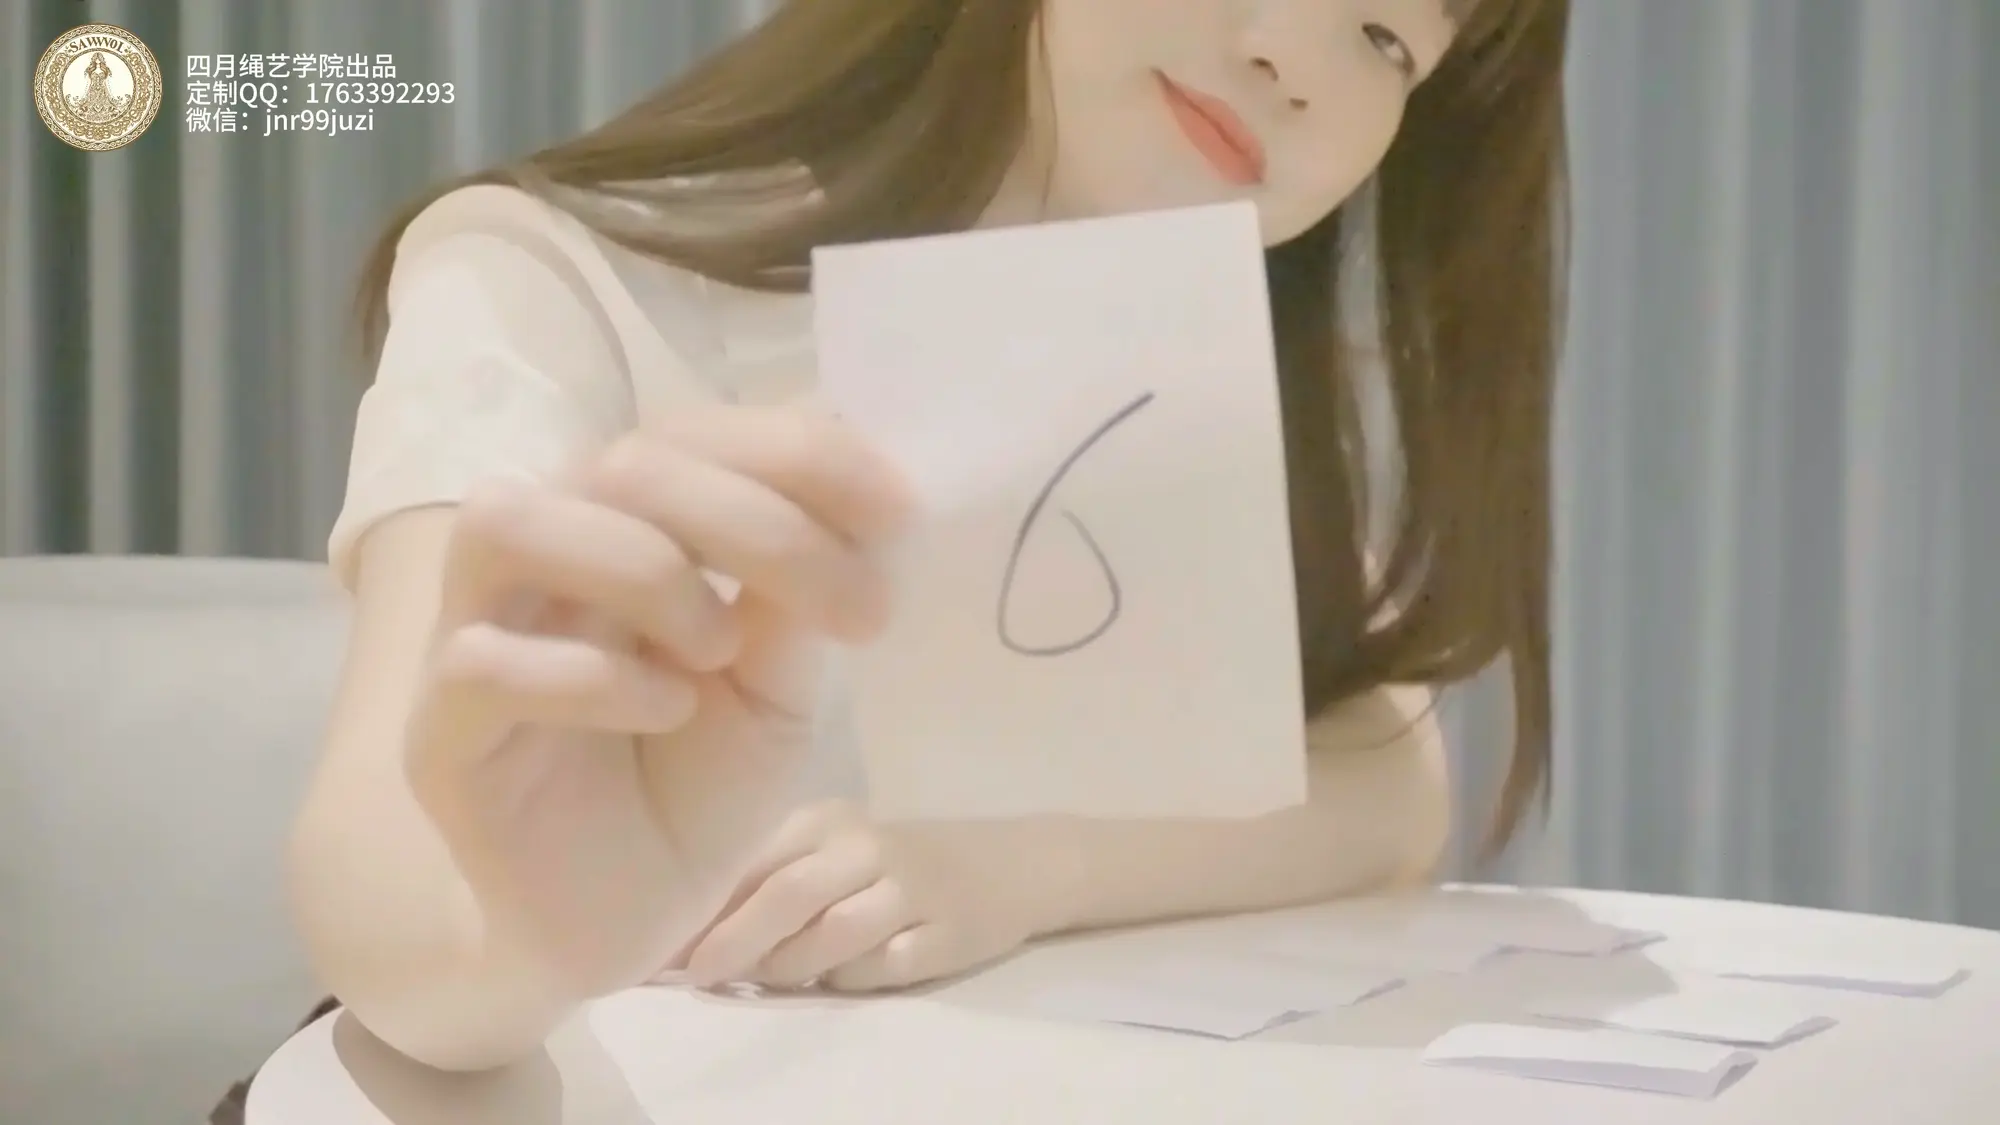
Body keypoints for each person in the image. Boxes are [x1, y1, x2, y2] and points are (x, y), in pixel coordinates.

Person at [281, 0, 1567, 1080]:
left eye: (1386, 39)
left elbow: (1388, 780)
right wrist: (531, 932)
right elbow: (382, 889)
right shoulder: (551, 277)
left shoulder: (1202, 363)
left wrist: (1022, 864)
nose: (1293, 57)